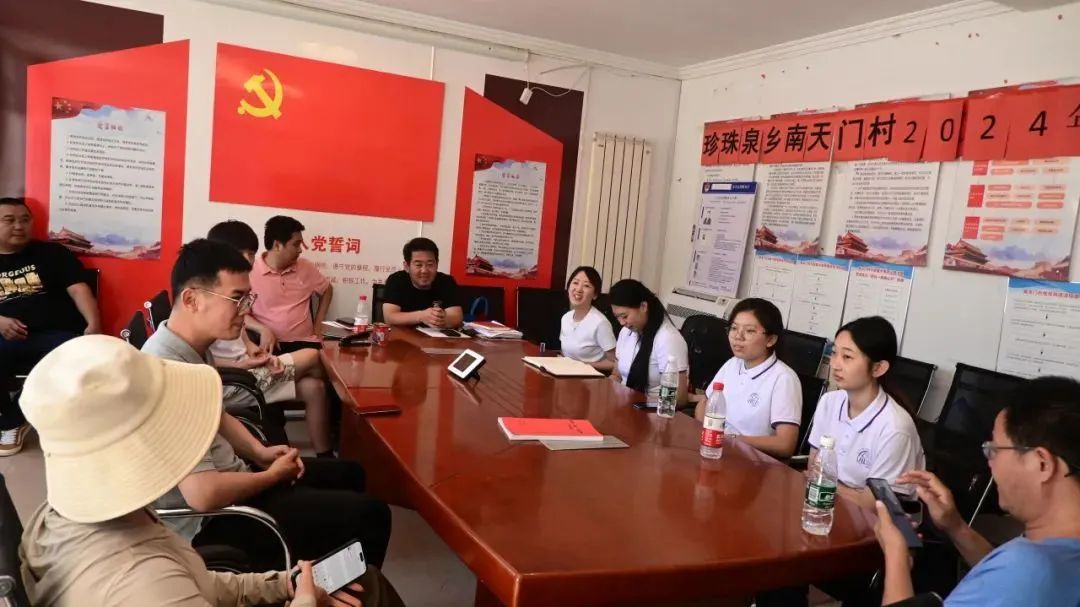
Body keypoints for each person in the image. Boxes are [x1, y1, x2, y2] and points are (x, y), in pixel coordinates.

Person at [17, 335, 404, 607]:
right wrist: (304, 602)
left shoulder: (63, 516)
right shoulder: (145, 585)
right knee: (370, 589)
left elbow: (195, 581)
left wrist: (284, 584)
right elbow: (170, 585)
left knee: (363, 579)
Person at [143, 238, 391, 573]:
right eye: (237, 299)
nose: (245, 310)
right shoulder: (170, 373)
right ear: (192, 300)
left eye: (248, 298)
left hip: (233, 476)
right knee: (372, 515)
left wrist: (260, 453)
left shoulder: (189, 346)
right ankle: (319, 587)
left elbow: (216, 412)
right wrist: (271, 476)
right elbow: (204, 495)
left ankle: (334, 576)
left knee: (351, 473)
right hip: (211, 520)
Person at [758, 318, 924, 606]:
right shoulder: (830, 402)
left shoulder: (895, 427)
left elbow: (874, 503)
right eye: (834, 353)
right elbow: (815, 468)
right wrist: (841, 490)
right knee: (771, 552)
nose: (835, 364)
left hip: (878, 533)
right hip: (828, 514)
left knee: (784, 560)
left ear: (878, 368)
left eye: (847, 357)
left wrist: (829, 487)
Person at [875, 376, 1080, 607]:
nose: (989, 463)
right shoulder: (1054, 553)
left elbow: (1017, 579)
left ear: (1041, 463)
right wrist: (955, 526)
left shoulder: (1027, 567)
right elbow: (1004, 583)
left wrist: (896, 556)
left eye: (995, 449)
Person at [207, 220, 334, 457]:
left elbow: (239, 331)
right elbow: (199, 361)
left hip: (250, 365)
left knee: (315, 388)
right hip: (239, 380)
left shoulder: (231, 293)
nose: (250, 261)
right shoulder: (210, 300)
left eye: (252, 253)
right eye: (246, 254)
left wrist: (252, 349)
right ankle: (347, 415)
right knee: (316, 357)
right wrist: (243, 363)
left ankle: (325, 455)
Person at [0, 196, 100, 456]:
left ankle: (13, 420)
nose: (19, 226)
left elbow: (79, 290)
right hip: (5, 337)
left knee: (73, 357)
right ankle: (11, 418)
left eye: (25, 220)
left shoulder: (52, 254)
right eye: (9, 220)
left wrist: (93, 325)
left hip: (56, 335)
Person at [691, 298, 801, 458]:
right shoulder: (732, 364)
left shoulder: (784, 378)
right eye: (734, 328)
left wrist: (732, 440)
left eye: (749, 331)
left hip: (751, 461)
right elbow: (704, 403)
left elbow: (785, 444)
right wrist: (707, 433)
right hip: (716, 449)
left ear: (771, 339)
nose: (738, 336)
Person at [248, 215, 332, 353]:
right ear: (277, 245)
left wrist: (319, 324)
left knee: (318, 359)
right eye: (296, 244)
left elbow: (327, 289)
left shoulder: (306, 267)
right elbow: (240, 314)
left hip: (305, 344)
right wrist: (262, 329)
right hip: (270, 345)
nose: (300, 250)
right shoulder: (250, 271)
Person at [608, 279, 688, 403]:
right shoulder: (626, 332)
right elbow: (617, 374)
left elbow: (679, 398)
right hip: (625, 402)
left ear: (643, 307)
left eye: (625, 316)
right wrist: (607, 389)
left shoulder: (667, 338)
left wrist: (641, 403)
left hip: (652, 408)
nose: (621, 323)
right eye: (617, 317)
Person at [382, 237, 463, 328]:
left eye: (430, 264)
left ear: (437, 264)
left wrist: (440, 319)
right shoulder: (396, 280)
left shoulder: (446, 281)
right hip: (403, 335)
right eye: (418, 265)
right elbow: (389, 318)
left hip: (436, 336)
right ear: (407, 266)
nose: (424, 270)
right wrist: (421, 316)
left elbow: (457, 318)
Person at [559, 266, 616, 372]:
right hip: (565, 373)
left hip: (590, 378)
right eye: (575, 283)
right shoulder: (566, 318)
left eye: (586, 285)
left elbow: (614, 363)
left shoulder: (600, 323)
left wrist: (583, 365)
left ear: (595, 295)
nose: (578, 289)